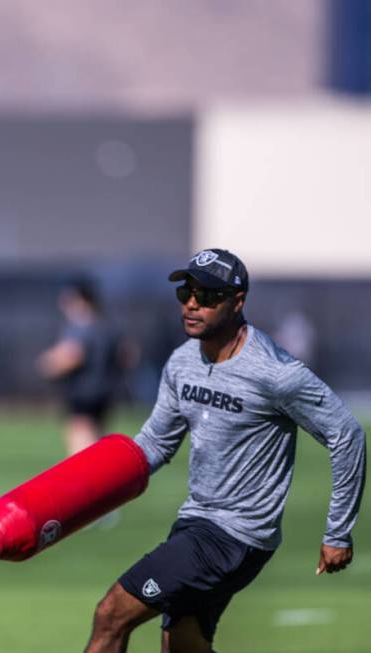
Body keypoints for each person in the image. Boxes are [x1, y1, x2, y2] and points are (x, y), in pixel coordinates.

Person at [84, 249, 366, 653]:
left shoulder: (277, 373)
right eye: (186, 292)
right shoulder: (182, 362)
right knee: (183, 645)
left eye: (208, 295)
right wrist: (90, 486)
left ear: (238, 301)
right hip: (196, 523)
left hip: (236, 535)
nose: (192, 304)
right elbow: (156, 443)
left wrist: (337, 532)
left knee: (111, 613)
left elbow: (346, 434)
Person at [37, 278, 129, 456]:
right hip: (104, 392)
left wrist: (48, 364)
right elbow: (127, 355)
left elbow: (72, 356)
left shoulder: (81, 326)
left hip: (82, 393)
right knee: (97, 443)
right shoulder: (107, 326)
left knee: (81, 452)